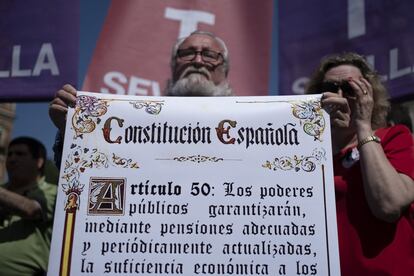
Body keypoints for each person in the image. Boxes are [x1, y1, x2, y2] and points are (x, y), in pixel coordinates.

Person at [306, 52, 414, 275]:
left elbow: (389, 205)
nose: (339, 96)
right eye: (329, 87)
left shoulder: (394, 138)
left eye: (350, 89)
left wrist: (363, 125)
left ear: (369, 96)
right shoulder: (307, 156)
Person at [0, 137, 57, 276]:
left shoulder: (52, 192)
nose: (12, 159)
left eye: (20, 154)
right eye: (10, 154)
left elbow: (31, 209)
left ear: (39, 162)